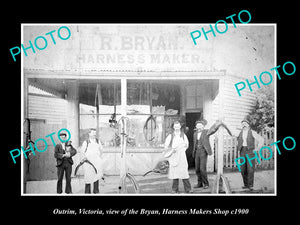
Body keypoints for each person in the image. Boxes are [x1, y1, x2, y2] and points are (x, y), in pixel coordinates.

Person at [164, 120, 192, 194]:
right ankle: (174, 189)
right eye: (175, 126)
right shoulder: (170, 136)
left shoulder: (183, 135)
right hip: (174, 156)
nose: (177, 128)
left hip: (182, 156)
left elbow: (187, 144)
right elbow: (166, 146)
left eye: (178, 126)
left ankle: (188, 189)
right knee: (174, 173)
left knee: (184, 172)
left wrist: (183, 148)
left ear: (180, 127)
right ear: (173, 127)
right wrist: (171, 151)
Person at [237, 116, 264, 190]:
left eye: (245, 123)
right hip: (242, 151)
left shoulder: (252, 132)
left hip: (250, 152)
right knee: (242, 169)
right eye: (242, 124)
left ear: (248, 125)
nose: (244, 125)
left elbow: (261, 140)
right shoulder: (240, 133)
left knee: (250, 169)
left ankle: (250, 185)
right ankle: (245, 184)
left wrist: (257, 148)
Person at [81, 128, 104, 194]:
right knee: (88, 178)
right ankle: (87, 192)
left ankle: (96, 191)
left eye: (95, 133)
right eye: (92, 133)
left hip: (96, 162)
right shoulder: (86, 142)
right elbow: (82, 152)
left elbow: (101, 150)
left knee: (96, 176)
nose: (94, 134)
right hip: (88, 163)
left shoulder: (97, 141)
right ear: (89, 134)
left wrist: (98, 158)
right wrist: (85, 158)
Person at [192, 119, 212, 189]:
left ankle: (206, 183)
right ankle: (199, 183)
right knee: (197, 169)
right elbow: (194, 144)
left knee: (202, 169)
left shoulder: (206, 132)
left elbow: (213, 130)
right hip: (197, 152)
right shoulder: (195, 134)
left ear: (203, 127)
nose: (199, 127)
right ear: (196, 127)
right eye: (197, 126)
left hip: (203, 152)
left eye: (200, 126)